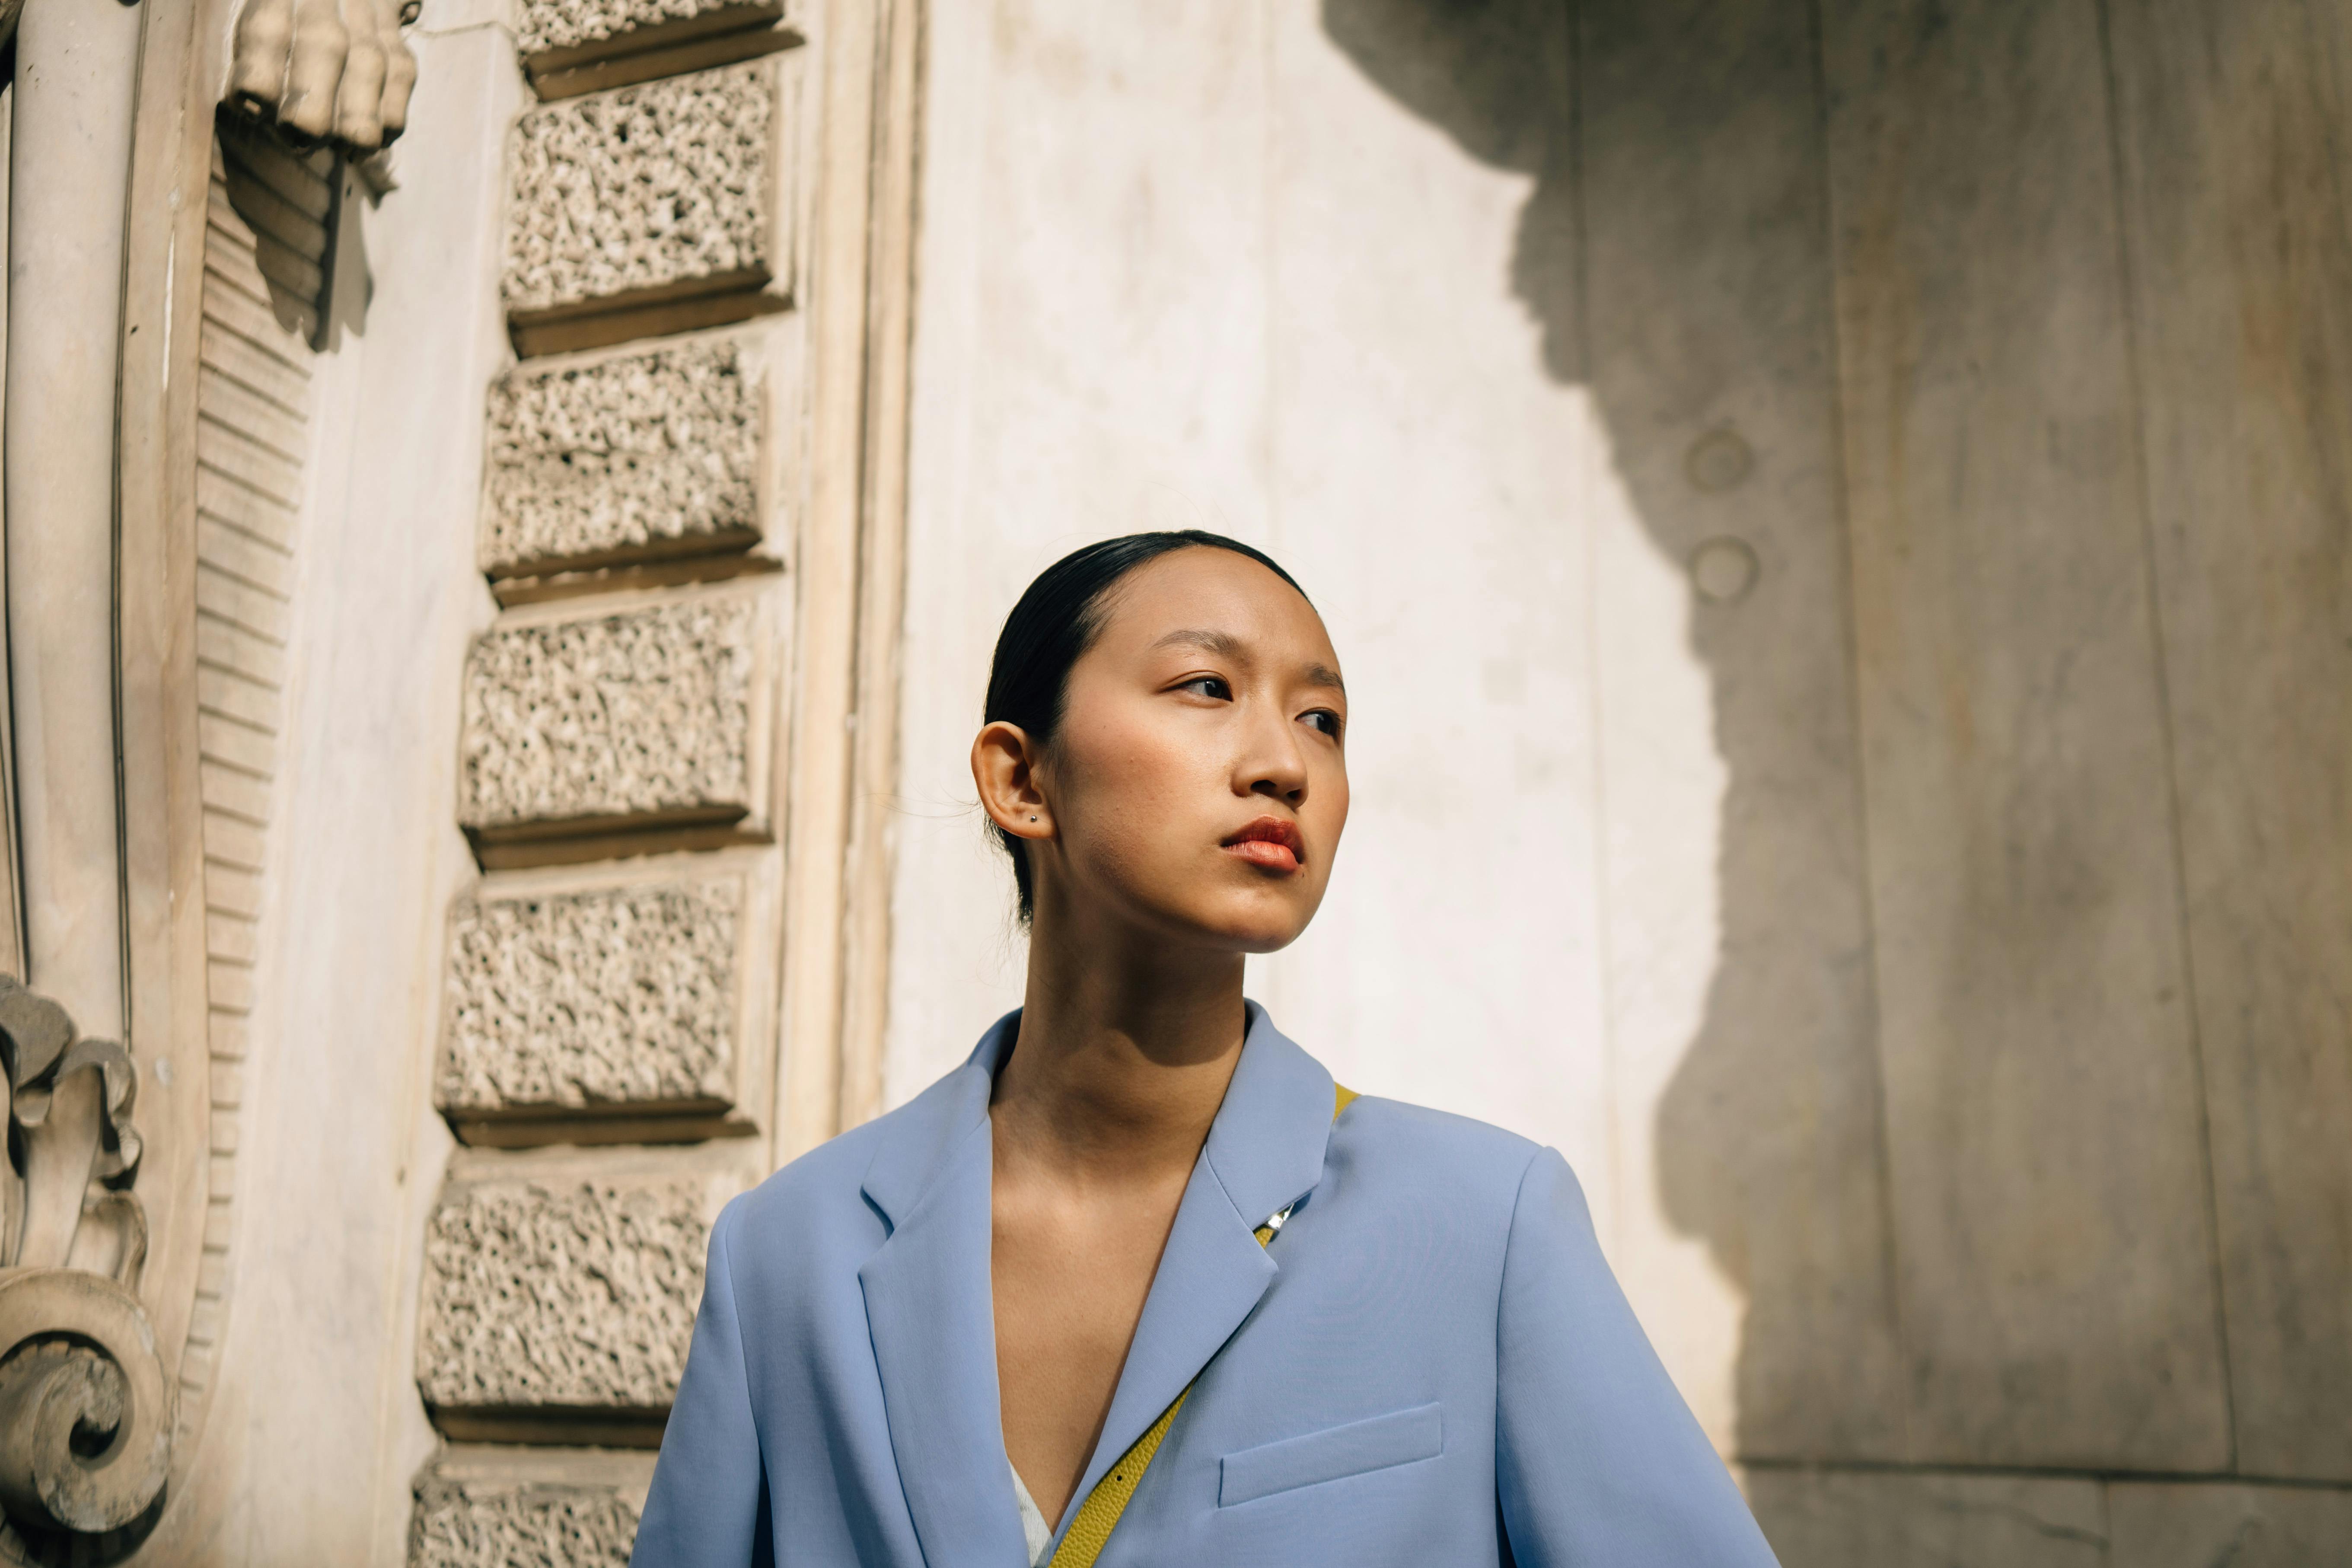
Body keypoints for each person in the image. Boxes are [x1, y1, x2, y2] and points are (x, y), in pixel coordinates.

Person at [631, 532, 1779, 1566]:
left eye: (1321, 719)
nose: (1283, 760)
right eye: (1206, 686)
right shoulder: (789, 1253)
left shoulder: (1483, 1222)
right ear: (1020, 777)